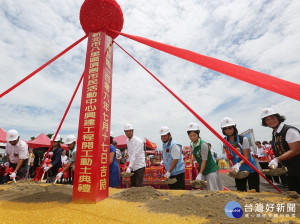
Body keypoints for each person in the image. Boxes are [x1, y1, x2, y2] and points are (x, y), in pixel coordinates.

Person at [261, 108, 300, 194]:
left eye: (273, 118)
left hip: (298, 169)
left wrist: (277, 159)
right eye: (267, 120)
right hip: (289, 171)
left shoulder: (289, 130)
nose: (271, 121)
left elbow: (296, 150)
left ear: (278, 118)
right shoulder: (275, 133)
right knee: (295, 195)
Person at [221, 117, 260, 192]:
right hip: (238, 171)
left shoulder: (243, 139)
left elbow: (247, 157)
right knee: (241, 192)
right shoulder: (225, 141)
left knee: (254, 192)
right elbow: (229, 154)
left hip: (250, 169)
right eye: (225, 129)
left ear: (234, 128)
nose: (228, 130)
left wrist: (238, 164)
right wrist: (232, 163)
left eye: (230, 128)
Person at [187, 122, 223, 190]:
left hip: (211, 169)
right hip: (203, 170)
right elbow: (195, 157)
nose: (192, 137)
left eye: (194, 135)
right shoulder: (192, 144)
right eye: (190, 136)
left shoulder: (203, 144)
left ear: (198, 134)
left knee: (213, 190)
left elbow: (204, 160)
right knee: (206, 190)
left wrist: (200, 173)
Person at [159, 126, 185, 190]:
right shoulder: (164, 144)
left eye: (165, 136)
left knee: (179, 192)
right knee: (172, 191)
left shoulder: (174, 145)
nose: (163, 138)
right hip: (171, 173)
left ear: (169, 135)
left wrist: (169, 171)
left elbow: (175, 159)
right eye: (162, 136)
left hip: (177, 173)